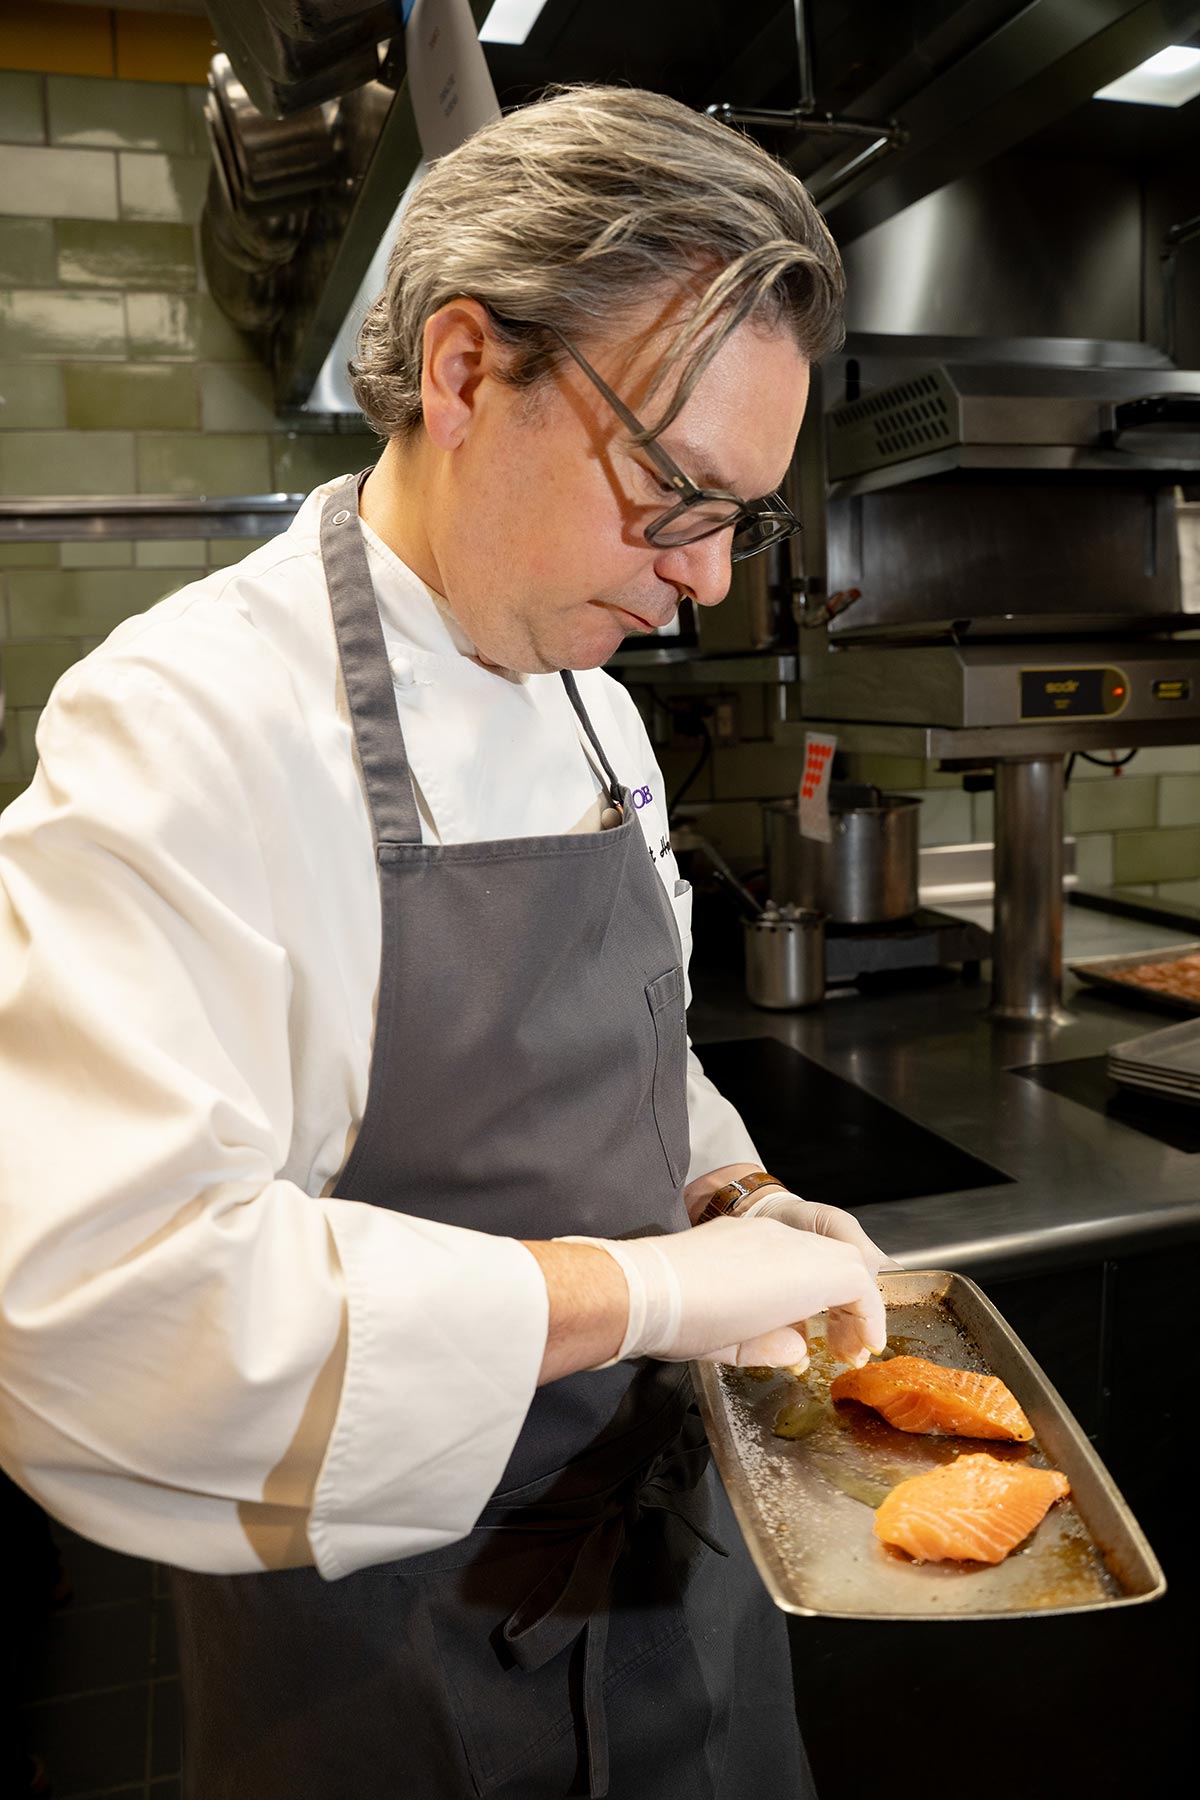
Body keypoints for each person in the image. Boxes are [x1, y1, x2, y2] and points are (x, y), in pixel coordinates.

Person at [0, 84, 893, 1799]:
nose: (707, 580)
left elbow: (633, 1050)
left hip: (688, 1572)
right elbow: (101, 1304)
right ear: (469, 373)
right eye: (678, 492)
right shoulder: (188, 725)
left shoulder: (593, 705)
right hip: (389, 1620)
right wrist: (646, 1293)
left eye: (745, 518)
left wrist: (728, 1190)